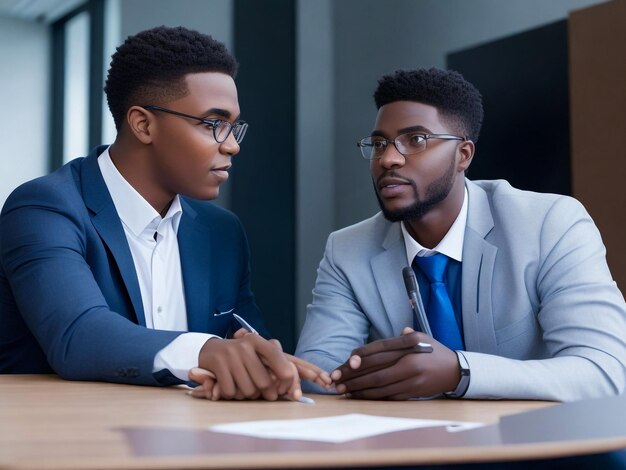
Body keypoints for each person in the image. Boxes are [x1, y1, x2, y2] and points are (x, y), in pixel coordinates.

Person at [0, 25, 329, 401]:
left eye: (234, 127)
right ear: (143, 124)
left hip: (196, 445)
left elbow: (246, 345)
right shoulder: (44, 208)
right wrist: (204, 349)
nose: (233, 146)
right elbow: (78, 334)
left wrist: (327, 377)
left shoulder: (222, 231)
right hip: (69, 444)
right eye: (213, 125)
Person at [295, 67, 626, 402]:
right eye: (380, 144)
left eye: (416, 140)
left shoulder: (549, 224)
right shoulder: (347, 249)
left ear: (463, 155)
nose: (389, 159)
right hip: (413, 446)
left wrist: (459, 371)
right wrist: (351, 373)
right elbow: (316, 373)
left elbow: (606, 370)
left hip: (540, 443)